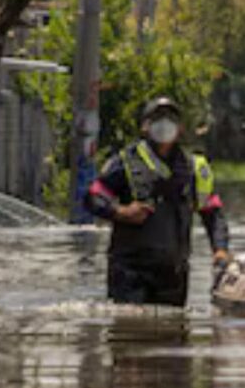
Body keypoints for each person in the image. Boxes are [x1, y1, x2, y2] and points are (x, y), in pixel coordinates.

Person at [86, 97, 230, 305]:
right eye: (157, 118)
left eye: (171, 118)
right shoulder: (125, 162)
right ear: (145, 126)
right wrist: (122, 212)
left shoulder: (194, 168)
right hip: (130, 271)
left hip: (173, 273)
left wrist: (220, 250)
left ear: (180, 128)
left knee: (171, 330)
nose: (165, 124)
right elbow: (93, 197)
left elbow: (212, 213)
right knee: (129, 327)